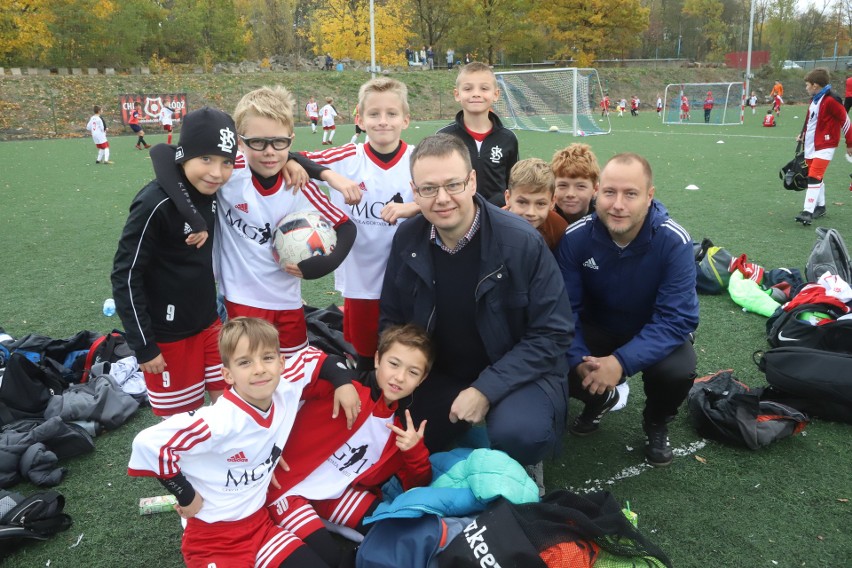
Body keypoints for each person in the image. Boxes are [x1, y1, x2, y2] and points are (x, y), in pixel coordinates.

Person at [379, 133, 573, 467]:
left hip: (515, 370)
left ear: (472, 182)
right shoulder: (408, 237)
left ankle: (524, 459)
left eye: (453, 184)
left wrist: (485, 389)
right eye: (429, 189)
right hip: (442, 369)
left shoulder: (521, 241)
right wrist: (397, 370)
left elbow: (553, 333)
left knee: (521, 434)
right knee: (390, 432)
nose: (442, 199)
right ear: (415, 191)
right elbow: (393, 319)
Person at [127, 316, 360, 568]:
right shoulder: (218, 420)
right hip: (213, 537)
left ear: (281, 363)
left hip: (260, 526)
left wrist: (343, 385)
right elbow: (149, 443)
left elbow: (321, 360)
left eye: (267, 358)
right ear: (227, 374)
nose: (259, 368)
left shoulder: (286, 386)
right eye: (245, 362)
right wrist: (186, 495)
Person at [556, 153, 698, 467]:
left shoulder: (674, 241)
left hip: (651, 330)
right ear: (597, 193)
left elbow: (677, 319)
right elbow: (567, 310)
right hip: (598, 329)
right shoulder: (576, 237)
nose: (618, 204)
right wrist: (579, 360)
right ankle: (599, 398)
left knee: (677, 370)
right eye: (609, 193)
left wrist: (621, 362)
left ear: (649, 196)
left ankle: (656, 421)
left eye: (630, 194)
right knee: (556, 357)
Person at [265, 324, 434, 567]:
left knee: (391, 526)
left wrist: (414, 451)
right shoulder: (345, 389)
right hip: (284, 490)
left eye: (413, 372)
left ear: (422, 379)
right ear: (377, 359)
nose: (399, 377)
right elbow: (300, 372)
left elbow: (416, 484)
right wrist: (340, 378)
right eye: (394, 364)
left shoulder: (400, 429)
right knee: (332, 557)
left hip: (335, 494)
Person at [111, 107, 237, 417]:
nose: (216, 173)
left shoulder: (212, 192)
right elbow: (125, 276)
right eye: (206, 159)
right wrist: (144, 345)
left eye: (226, 163)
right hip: (168, 338)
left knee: (230, 405)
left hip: (209, 323)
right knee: (181, 421)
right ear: (185, 156)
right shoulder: (154, 203)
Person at [215, 86, 358, 358]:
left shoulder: (297, 185)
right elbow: (177, 163)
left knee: (294, 375)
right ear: (240, 141)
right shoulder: (229, 175)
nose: (269, 152)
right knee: (253, 375)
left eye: (279, 143)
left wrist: (327, 263)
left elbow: (346, 227)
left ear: (290, 140)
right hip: (242, 301)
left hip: (289, 301)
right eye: (258, 142)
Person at [302, 78, 421, 372]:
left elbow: (451, 194)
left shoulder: (420, 157)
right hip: (361, 282)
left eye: (392, 114)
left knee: (408, 353)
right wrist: (333, 177)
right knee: (367, 359)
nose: (383, 121)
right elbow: (291, 159)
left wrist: (413, 207)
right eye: (374, 114)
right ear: (359, 119)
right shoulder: (346, 158)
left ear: (406, 119)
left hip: (409, 279)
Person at [438, 61, 519, 206]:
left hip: (497, 216)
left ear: (495, 94)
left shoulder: (508, 139)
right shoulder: (443, 138)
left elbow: (513, 182)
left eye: (484, 88)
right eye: (468, 89)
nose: (476, 94)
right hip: (458, 214)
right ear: (457, 94)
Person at [794, 68, 852, 226]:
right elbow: (810, 121)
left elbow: (845, 121)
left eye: (807, 85)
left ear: (814, 85)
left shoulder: (832, 99)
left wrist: (850, 143)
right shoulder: (815, 99)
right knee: (815, 176)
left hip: (826, 144)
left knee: (814, 175)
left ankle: (807, 212)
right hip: (812, 144)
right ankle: (820, 206)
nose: (806, 88)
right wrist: (803, 134)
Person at [503, 158, 567, 252]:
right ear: (508, 198)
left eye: (540, 203)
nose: (531, 212)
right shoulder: (492, 227)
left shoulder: (558, 228)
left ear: (552, 202)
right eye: (522, 202)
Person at [550, 143, 599, 226]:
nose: (570, 194)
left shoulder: (604, 220)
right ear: (552, 187)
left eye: (581, 186)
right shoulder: (544, 218)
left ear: (595, 189)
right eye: (563, 185)